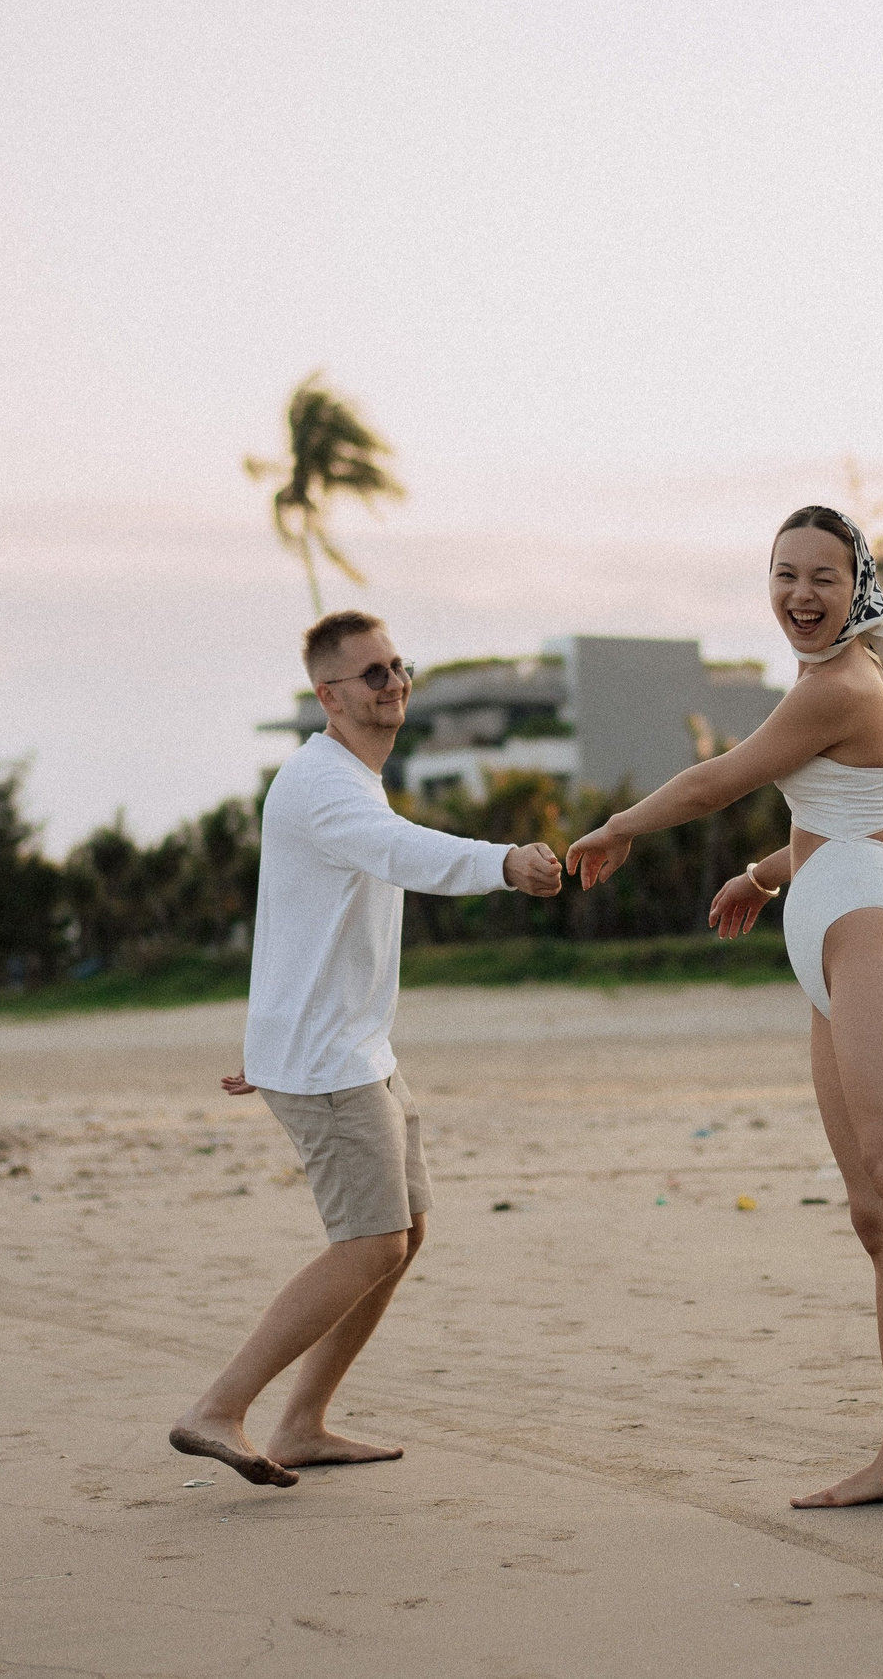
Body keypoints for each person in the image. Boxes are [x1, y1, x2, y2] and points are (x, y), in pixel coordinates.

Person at [566, 505, 883, 1507]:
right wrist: (766, 877)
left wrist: (619, 825)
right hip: (827, 935)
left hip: (869, 937)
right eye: (785, 574)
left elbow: (720, 781)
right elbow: (843, 815)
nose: (801, 594)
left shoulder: (843, 682)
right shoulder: (822, 685)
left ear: (858, 589)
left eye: (823, 576)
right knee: (872, 1214)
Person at [171, 611, 563, 1488]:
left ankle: (302, 1423)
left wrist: (272, 1038)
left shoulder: (346, 778)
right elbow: (400, 852)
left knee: (403, 1232)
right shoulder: (323, 784)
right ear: (330, 696)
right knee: (372, 1242)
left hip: (350, 1049)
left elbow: (299, 920)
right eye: (372, 674)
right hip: (328, 1063)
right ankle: (216, 1409)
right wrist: (503, 863)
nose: (394, 684)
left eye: (397, 666)